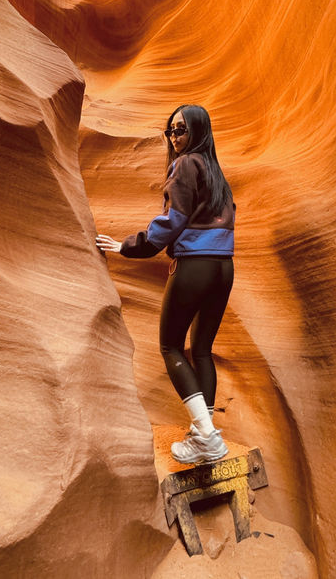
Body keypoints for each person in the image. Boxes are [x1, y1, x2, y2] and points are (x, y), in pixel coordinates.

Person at [96, 104, 235, 464]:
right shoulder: (216, 172)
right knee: (201, 350)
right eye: (170, 131)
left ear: (198, 132)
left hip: (195, 266)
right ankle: (206, 433)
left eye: (181, 130)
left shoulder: (187, 163)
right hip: (223, 267)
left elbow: (173, 221)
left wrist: (128, 246)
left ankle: (206, 438)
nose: (174, 138)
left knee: (170, 347)